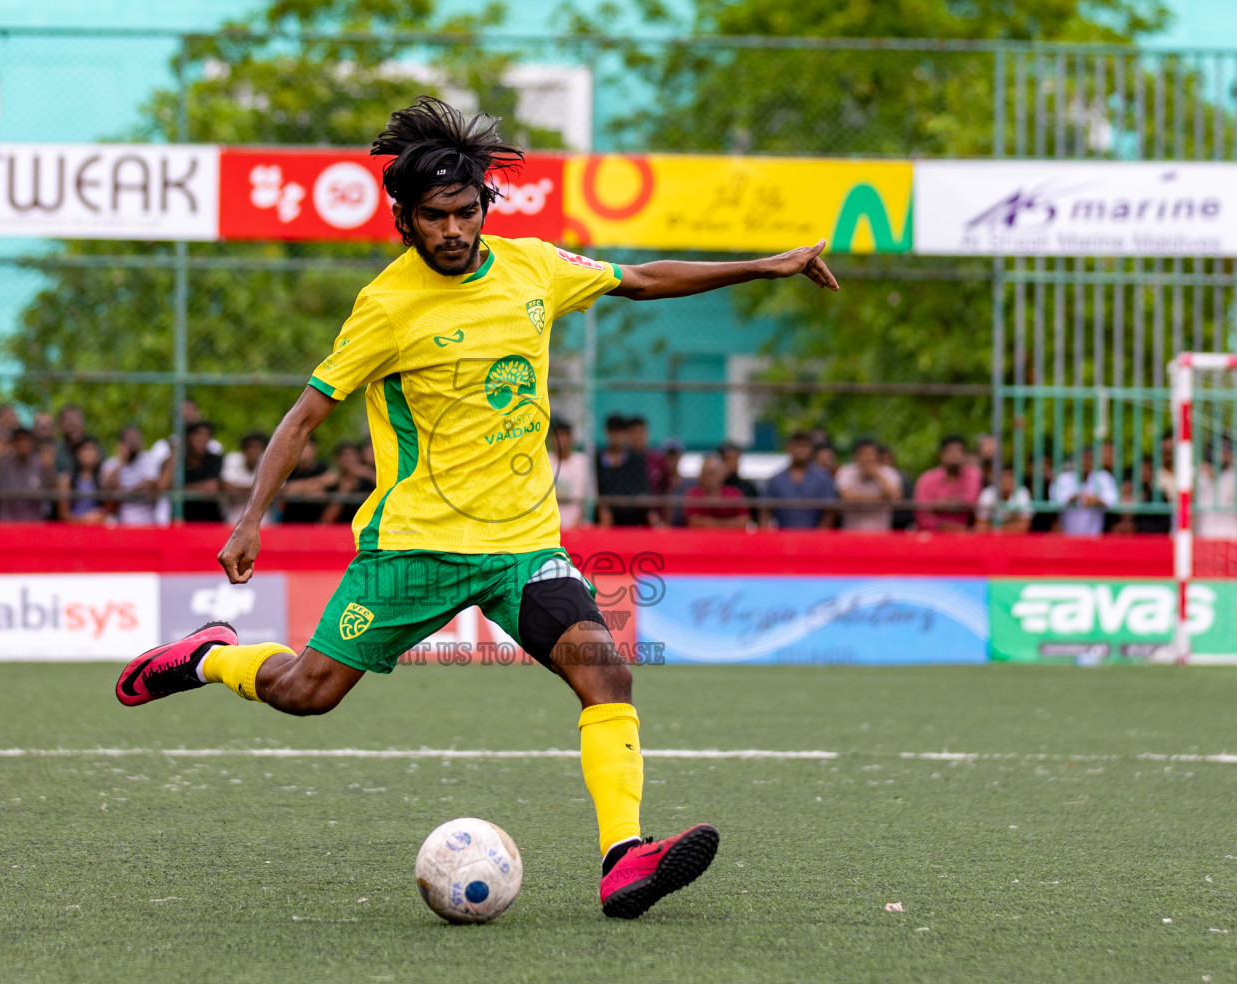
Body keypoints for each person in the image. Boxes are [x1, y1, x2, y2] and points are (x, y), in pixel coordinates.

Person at [113, 96, 838, 919]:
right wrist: (251, 519)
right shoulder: (387, 306)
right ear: (406, 222)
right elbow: (307, 413)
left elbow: (638, 280)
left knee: (606, 672)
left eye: (465, 213)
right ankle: (212, 655)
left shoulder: (533, 267)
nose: (453, 231)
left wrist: (764, 264)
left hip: (523, 544)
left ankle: (623, 857)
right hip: (414, 548)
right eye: (434, 218)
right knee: (305, 692)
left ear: (484, 209)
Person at [763, 432, 836, 530]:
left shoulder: (823, 478)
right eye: (797, 446)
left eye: (805, 446)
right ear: (789, 448)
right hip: (783, 538)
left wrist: (820, 535)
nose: (801, 450)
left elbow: (829, 512)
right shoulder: (776, 480)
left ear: (811, 449)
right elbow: (766, 511)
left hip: (814, 538)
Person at [595, 415, 657, 528]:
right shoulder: (598, 459)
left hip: (631, 514)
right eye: (612, 432)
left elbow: (641, 488)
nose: (616, 436)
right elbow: (596, 489)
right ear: (607, 433)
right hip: (606, 514)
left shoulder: (635, 458)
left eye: (619, 432)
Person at [914, 435, 982, 532]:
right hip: (934, 534)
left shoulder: (973, 475)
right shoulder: (927, 479)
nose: (954, 455)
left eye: (959, 451)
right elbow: (922, 513)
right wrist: (946, 526)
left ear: (965, 455)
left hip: (967, 535)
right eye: (950, 451)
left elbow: (970, 502)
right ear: (941, 455)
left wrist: (938, 506)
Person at [835, 438, 903, 532]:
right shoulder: (846, 472)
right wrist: (881, 499)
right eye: (863, 454)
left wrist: (877, 475)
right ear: (855, 456)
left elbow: (895, 497)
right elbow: (846, 498)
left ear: (877, 456)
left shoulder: (889, 473)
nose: (867, 458)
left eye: (871, 454)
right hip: (851, 533)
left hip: (881, 533)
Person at [0, 426, 55, 522]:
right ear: (13, 443)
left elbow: (54, 493)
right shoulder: (3, 464)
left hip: (34, 524)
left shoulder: (41, 464)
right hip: (7, 523)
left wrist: (49, 469)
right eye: (19, 440)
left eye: (26, 440)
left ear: (32, 442)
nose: (23, 444)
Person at [101, 425, 164, 526]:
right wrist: (122, 461)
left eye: (137, 439)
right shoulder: (112, 464)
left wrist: (124, 494)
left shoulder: (148, 459)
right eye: (130, 439)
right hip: (121, 523)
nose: (134, 443)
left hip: (147, 522)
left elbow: (149, 486)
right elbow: (108, 492)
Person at [165, 421, 225, 523]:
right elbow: (163, 485)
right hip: (182, 518)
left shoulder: (215, 460)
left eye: (206, 435)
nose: (202, 439)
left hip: (210, 519)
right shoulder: (178, 461)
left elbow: (212, 486)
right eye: (197, 434)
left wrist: (182, 487)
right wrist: (175, 452)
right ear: (187, 438)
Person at [1051, 447, 1118, 536]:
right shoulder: (1063, 479)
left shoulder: (1104, 478)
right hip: (1067, 535)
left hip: (1095, 535)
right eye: (1083, 458)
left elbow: (1112, 501)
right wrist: (1076, 497)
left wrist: (1095, 500)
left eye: (1090, 458)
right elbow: (1055, 501)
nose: (1086, 462)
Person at [1195, 439, 1237, 539]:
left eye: (1228, 450)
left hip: (1232, 535)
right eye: (1222, 450)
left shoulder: (1236, 475)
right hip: (1204, 534)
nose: (1225, 453)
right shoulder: (1199, 474)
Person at [683, 454, 751, 529]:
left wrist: (712, 524)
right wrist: (728, 524)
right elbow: (693, 522)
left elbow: (744, 521)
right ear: (701, 475)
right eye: (706, 472)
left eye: (713, 472)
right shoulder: (693, 495)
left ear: (722, 474)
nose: (710, 477)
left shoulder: (734, 493)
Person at [277, 438, 336, 524]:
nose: (304, 450)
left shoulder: (322, 467)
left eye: (307, 446)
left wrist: (298, 489)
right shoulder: (288, 469)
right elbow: (287, 491)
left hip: (317, 523)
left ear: (314, 448)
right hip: (291, 522)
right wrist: (316, 487)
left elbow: (332, 479)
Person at [549, 418, 591, 529]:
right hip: (550, 525)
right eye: (557, 436)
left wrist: (575, 525)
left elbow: (586, 497)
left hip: (577, 524)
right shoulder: (545, 461)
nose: (561, 440)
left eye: (564, 436)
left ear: (571, 438)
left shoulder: (581, 462)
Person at [221, 430, 269, 525]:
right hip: (233, 515)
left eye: (257, 447)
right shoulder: (232, 459)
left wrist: (240, 488)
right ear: (243, 449)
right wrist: (260, 490)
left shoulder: (269, 462)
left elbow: (280, 488)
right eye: (250, 447)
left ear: (263, 450)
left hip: (262, 518)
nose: (253, 451)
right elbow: (226, 486)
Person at [323, 441, 376, 526]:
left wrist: (370, 474)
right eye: (345, 455)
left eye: (353, 455)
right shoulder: (332, 483)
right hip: (337, 531)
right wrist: (343, 491)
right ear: (337, 459)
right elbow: (325, 521)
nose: (349, 459)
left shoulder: (368, 481)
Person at [59, 435, 107, 524]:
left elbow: (109, 510)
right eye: (86, 449)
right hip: (74, 529)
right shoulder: (66, 479)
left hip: (97, 528)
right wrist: (85, 520)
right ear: (78, 453)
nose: (90, 453)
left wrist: (99, 516)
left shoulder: (103, 478)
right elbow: (63, 514)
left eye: (93, 449)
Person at [975, 465, 1033, 533]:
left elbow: (1024, 526)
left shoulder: (1022, 493)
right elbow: (980, 526)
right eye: (1004, 476)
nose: (1007, 480)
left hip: (1014, 539)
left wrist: (996, 529)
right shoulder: (987, 494)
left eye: (1010, 476)